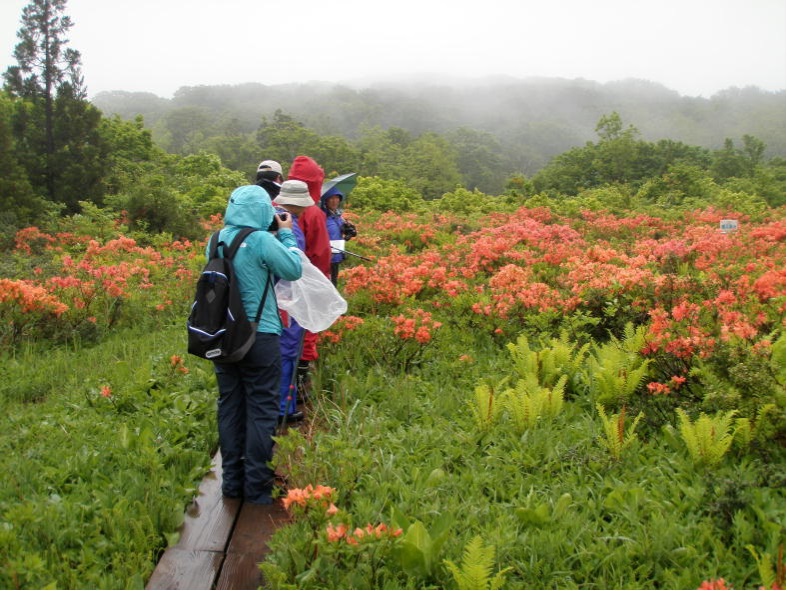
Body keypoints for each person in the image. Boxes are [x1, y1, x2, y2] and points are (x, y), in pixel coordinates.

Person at [209, 184, 302, 504]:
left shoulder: (216, 238)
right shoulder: (262, 240)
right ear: (264, 210)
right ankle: (257, 488)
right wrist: (286, 234)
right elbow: (293, 269)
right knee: (262, 410)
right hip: (260, 336)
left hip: (223, 336)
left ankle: (231, 483)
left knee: (230, 406)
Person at [286, 156, 332, 397]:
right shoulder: (313, 212)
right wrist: (323, 281)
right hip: (304, 280)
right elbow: (320, 253)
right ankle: (300, 380)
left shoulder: (274, 205)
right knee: (306, 326)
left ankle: (284, 380)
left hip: (276, 282)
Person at [271, 180, 315, 423]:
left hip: (270, 298)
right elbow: (293, 265)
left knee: (277, 351)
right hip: (286, 299)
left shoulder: (269, 217)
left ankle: (277, 404)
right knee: (287, 352)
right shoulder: (289, 225)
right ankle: (283, 409)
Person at [320, 188, 357, 286]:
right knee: (326, 284)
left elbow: (340, 231)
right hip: (325, 256)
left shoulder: (338, 215)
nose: (334, 201)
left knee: (333, 282)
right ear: (325, 200)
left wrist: (349, 230)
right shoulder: (322, 216)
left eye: (337, 198)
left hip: (336, 255)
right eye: (331, 198)